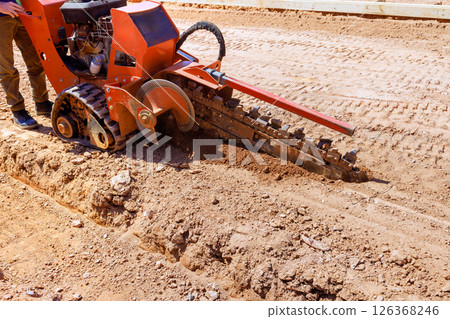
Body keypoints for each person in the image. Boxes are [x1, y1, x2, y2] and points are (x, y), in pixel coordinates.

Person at [0, 0, 52, 129]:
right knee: (6, 67)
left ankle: (42, 102)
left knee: (36, 62)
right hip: (1, 17)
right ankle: (18, 110)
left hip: (24, 13)